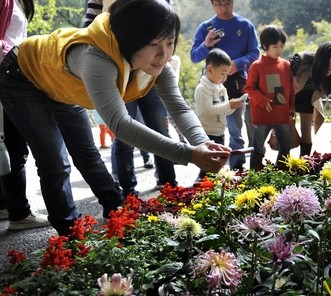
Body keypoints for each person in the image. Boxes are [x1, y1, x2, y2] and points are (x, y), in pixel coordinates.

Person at [0, 0, 231, 235]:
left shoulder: (158, 63)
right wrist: (189, 154)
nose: (163, 54)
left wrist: (202, 143)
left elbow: (179, 107)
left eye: (170, 42)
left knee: (87, 153)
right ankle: (70, 236)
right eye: (153, 44)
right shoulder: (96, 58)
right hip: (22, 77)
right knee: (55, 162)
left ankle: (117, 210)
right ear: (130, 39)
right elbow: (120, 124)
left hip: (61, 85)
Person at [85, 0, 178, 197]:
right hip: (119, 71)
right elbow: (88, 30)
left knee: (161, 128)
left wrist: (162, 49)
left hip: (151, 70)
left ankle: (170, 184)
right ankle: (128, 191)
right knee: (124, 133)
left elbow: (169, 23)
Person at [190, 0, 260, 171]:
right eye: (218, 4)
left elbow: (255, 53)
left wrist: (236, 64)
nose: (223, 8)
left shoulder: (245, 25)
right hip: (211, 84)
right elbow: (194, 56)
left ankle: (237, 166)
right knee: (210, 126)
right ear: (212, 4)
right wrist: (206, 44)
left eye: (226, 3)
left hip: (236, 80)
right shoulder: (206, 27)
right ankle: (210, 167)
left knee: (235, 126)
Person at [0, 0, 50, 229]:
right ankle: (19, 214)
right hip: (7, 76)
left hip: (13, 73)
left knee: (8, 145)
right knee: (14, 147)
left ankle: (6, 205)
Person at [245, 25, 295, 171]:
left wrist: (292, 107)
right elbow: (249, 88)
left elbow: (291, 88)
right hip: (263, 113)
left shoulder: (286, 65)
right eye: (275, 46)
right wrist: (263, 100)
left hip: (282, 113)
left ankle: (282, 174)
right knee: (258, 147)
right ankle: (255, 176)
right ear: (265, 46)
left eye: (281, 46)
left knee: (286, 144)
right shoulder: (257, 66)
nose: (279, 50)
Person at [290, 42, 331, 156]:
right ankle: (279, 167)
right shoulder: (301, 60)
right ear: (321, 61)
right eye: (329, 64)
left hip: (308, 99)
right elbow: (282, 78)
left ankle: (303, 166)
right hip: (289, 96)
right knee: (286, 137)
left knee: (307, 136)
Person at [194, 48, 244, 180]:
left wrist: (233, 106)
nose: (225, 78)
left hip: (220, 131)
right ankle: (201, 184)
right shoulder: (202, 88)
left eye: (227, 74)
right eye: (222, 74)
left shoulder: (221, 87)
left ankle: (211, 185)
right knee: (208, 164)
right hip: (208, 132)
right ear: (210, 70)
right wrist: (228, 105)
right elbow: (207, 110)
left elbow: (224, 110)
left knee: (217, 164)